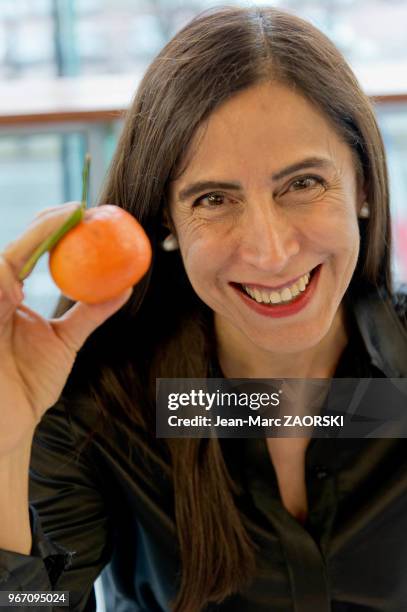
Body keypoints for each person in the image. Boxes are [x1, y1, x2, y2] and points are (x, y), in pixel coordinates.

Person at [0, 5, 406, 612]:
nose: (271, 253)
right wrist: (5, 449)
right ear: (167, 219)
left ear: (364, 186)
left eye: (301, 184)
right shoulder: (105, 406)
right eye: (214, 198)